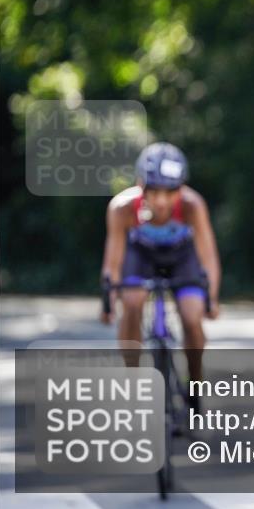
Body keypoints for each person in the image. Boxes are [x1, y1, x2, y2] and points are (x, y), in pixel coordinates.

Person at [99, 142, 221, 402]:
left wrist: (211, 297)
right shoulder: (122, 208)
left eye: (171, 191)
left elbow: (208, 257)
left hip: (182, 257)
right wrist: (109, 299)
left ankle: (195, 383)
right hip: (140, 256)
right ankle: (132, 385)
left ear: (182, 187)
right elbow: (113, 261)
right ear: (140, 185)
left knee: (191, 315)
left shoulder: (192, 206)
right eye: (154, 191)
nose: (162, 201)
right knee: (131, 302)